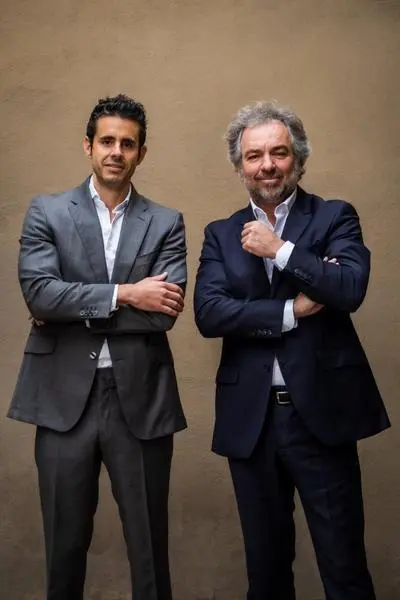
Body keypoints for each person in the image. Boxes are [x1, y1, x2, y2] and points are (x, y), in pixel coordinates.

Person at [193, 101, 390, 600]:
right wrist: (293, 310)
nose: (267, 165)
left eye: (278, 153)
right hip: (251, 423)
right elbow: (210, 314)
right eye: (254, 156)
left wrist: (279, 250)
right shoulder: (220, 234)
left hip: (322, 417)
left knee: (344, 569)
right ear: (239, 166)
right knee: (266, 574)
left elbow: (348, 288)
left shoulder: (334, 216)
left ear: (298, 159)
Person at [8, 94, 187, 600]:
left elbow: (163, 312)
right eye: (107, 141)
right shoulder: (47, 211)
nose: (116, 152)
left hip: (141, 400)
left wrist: (70, 307)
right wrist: (126, 294)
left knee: (149, 554)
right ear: (88, 146)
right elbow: (40, 293)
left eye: (127, 144)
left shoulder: (166, 221)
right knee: (63, 552)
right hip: (62, 400)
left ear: (141, 153)